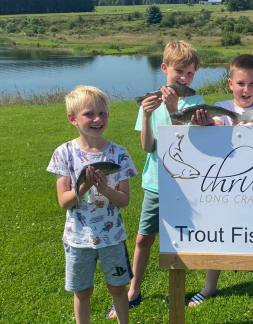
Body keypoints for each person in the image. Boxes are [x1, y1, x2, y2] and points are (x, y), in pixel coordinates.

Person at [107, 40, 205, 318]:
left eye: (190, 73)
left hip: (185, 183)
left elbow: (187, 146)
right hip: (155, 182)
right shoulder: (149, 102)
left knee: (181, 238)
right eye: (179, 72)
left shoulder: (196, 102)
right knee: (142, 240)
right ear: (165, 69)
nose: (184, 78)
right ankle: (133, 290)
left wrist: (175, 112)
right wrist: (148, 114)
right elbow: (147, 146)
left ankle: (179, 289)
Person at [188, 54, 253, 309]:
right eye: (241, 83)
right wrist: (204, 123)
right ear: (230, 84)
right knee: (216, 235)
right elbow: (214, 125)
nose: (246, 89)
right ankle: (209, 287)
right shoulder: (222, 108)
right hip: (224, 186)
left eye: (252, 84)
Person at [46, 85, 137, 324]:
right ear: (72, 119)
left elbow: (124, 201)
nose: (97, 119)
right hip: (78, 239)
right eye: (89, 114)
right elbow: (64, 202)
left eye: (102, 113)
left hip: (112, 238)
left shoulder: (119, 154)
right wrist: (85, 186)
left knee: (118, 288)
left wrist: (105, 188)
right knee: (82, 292)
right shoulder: (64, 153)